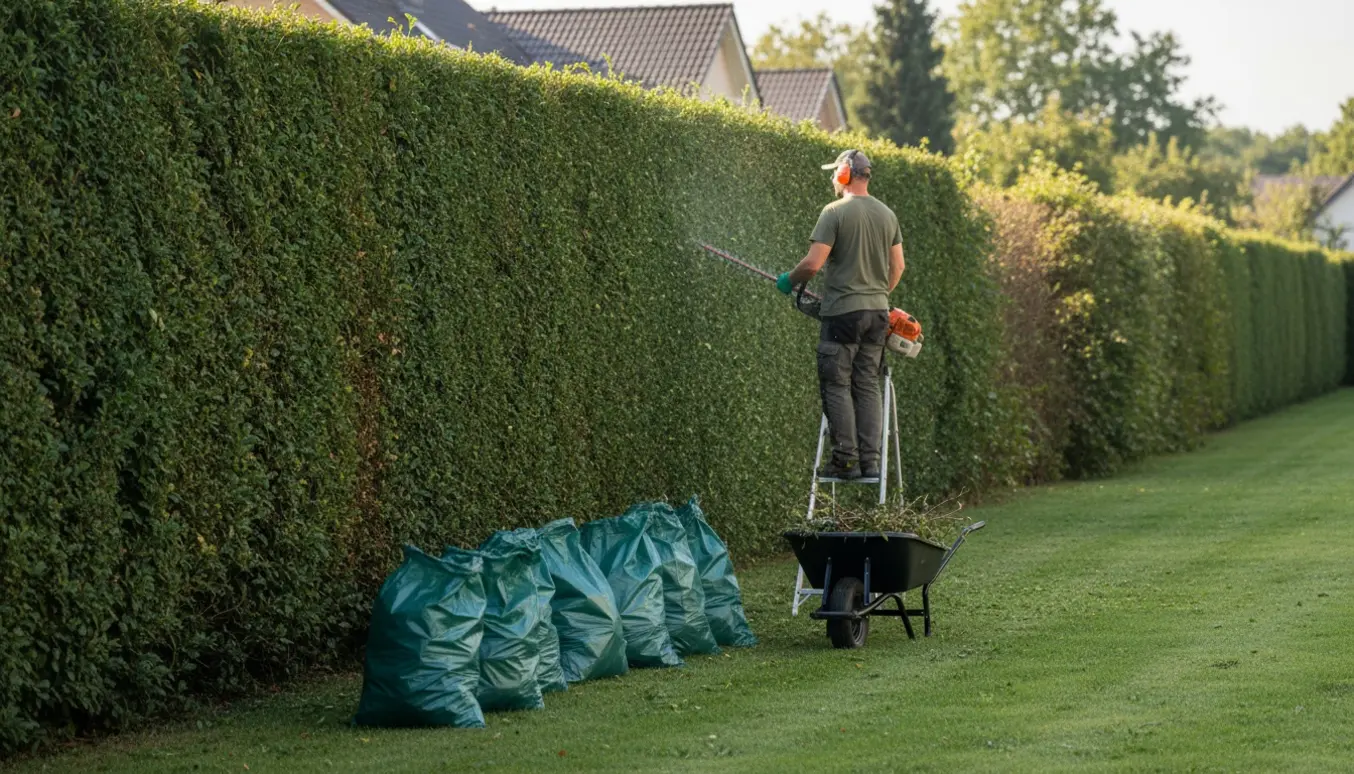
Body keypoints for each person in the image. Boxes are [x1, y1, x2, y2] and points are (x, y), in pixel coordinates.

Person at [776, 150, 905, 480]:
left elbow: (813, 264)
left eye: (835, 173)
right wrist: (876, 295)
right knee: (866, 385)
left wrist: (789, 281)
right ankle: (870, 462)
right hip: (878, 314)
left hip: (843, 317)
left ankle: (845, 460)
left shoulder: (833, 212)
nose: (832, 178)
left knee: (835, 383)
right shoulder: (888, 215)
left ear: (846, 174)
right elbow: (898, 266)